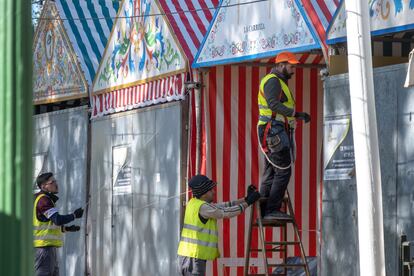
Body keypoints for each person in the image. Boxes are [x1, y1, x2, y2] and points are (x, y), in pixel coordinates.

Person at [257, 51, 311, 220]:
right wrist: (296, 114)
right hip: (273, 129)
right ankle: (271, 210)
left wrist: (295, 116)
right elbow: (273, 104)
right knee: (283, 171)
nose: (292, 69)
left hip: (272, 129)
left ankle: (264, 210)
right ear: (280, 65)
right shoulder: (273, 81)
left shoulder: (276, 81)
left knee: (271, 172)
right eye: (289, 65)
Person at [177, 174, 261, 276]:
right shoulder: (203, 207)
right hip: (193, 258)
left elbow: (224, 205)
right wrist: (248, 203)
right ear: (203, 194)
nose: (214, 192)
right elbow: (225, 212)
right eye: (211, 190)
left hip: (189, 256)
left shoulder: (195, 203)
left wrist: (246, 198)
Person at [33, 172, 84, 276]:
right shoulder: (43, 200)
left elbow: (46, 225)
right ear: (44, 186)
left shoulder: (43, 199)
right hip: (44, 249)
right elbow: (57, 220)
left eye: (55, 181)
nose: (56, 184)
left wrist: (67, 229)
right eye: (52, 182)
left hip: (46, 248)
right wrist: (74, 215)